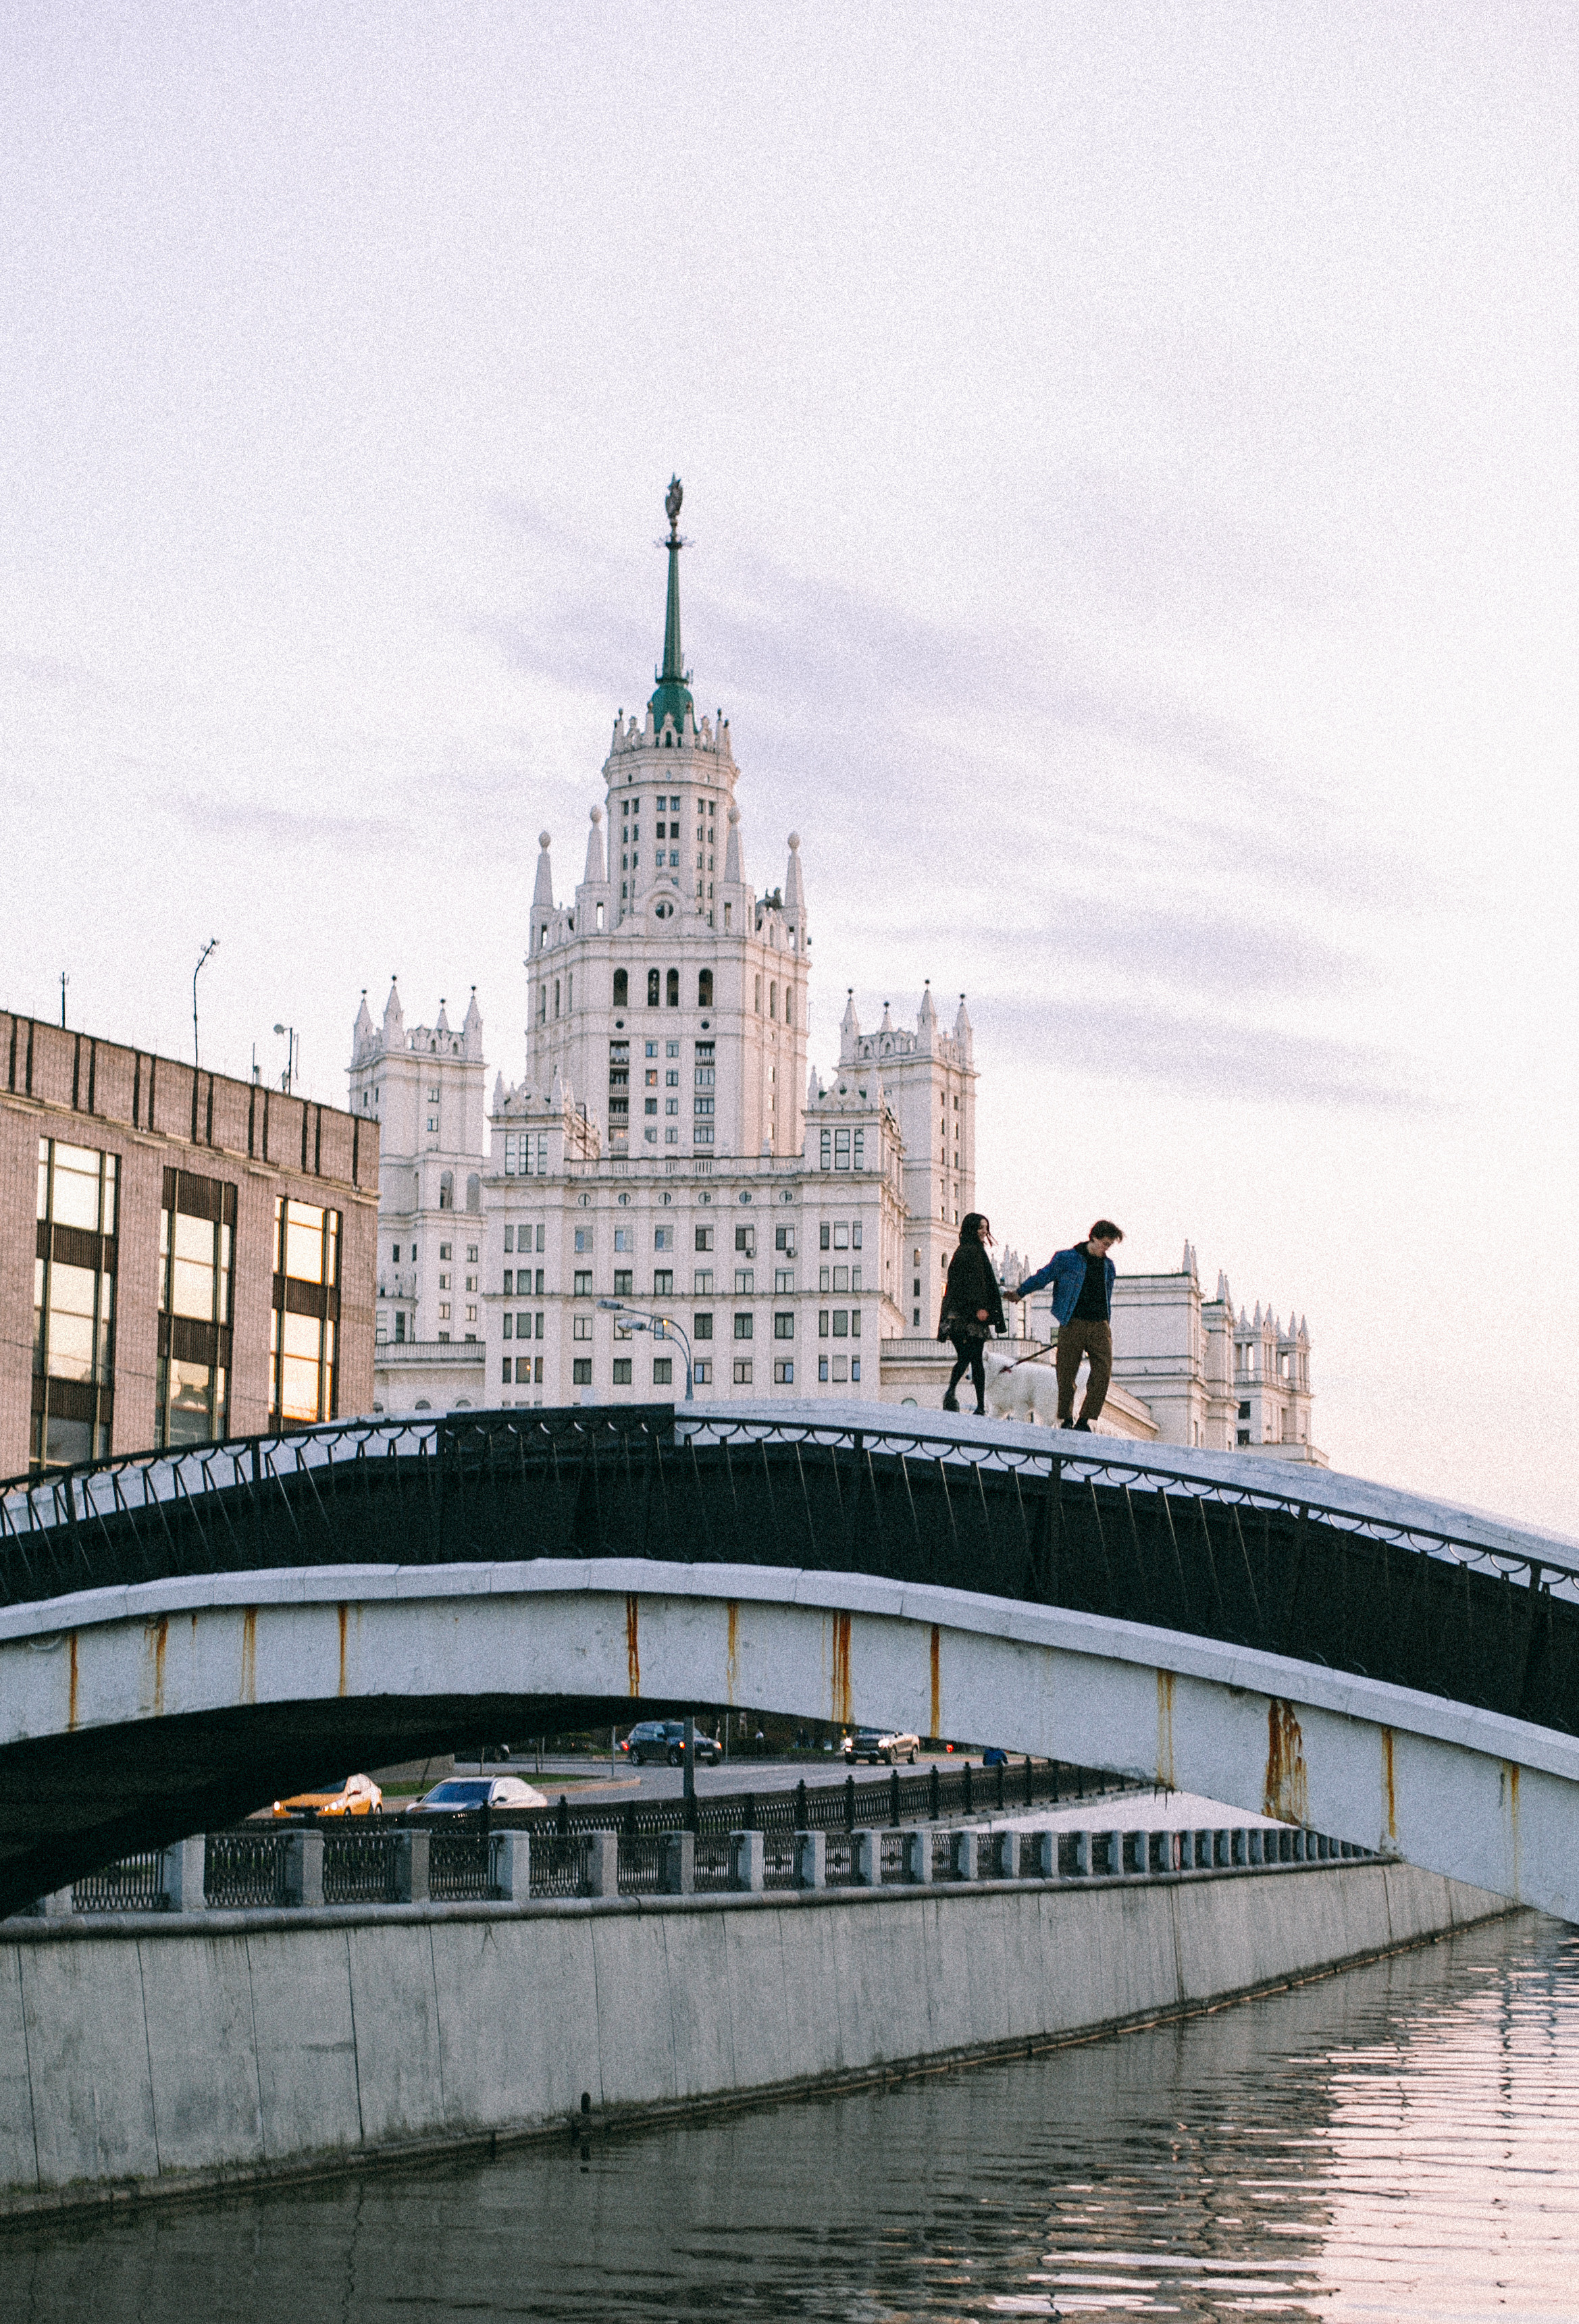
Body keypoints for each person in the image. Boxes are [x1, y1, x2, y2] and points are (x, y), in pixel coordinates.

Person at [1008, 1220, 1124, 1430]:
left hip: (1099, 1325)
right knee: (1066, 1373)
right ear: (1094, 1238)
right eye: (1105, 1244)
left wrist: (1107, 1322)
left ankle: (1085, 1419)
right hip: (1073, 1322)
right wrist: (1020, 1293)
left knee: (1103, 1371)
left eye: (1110, 1246)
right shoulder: (1067, 1259)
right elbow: (1044, 1276)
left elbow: (1107, 1296)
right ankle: (1066, 1417)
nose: (1106, 1249)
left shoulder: (1109, 1267)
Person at [937, 1213, 1006, 1415]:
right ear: (972, 1229)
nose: (985, 1231)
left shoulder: (965, 1251)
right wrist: (979, 1309)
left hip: (959, 1317)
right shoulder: (972, 1252)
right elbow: (973, 1285)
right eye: (981, 1228)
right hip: (970, 1318)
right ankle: (977, 1405)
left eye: (986, 1227)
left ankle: (955, 1395)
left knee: (969, 1358)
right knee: (973, 1358)